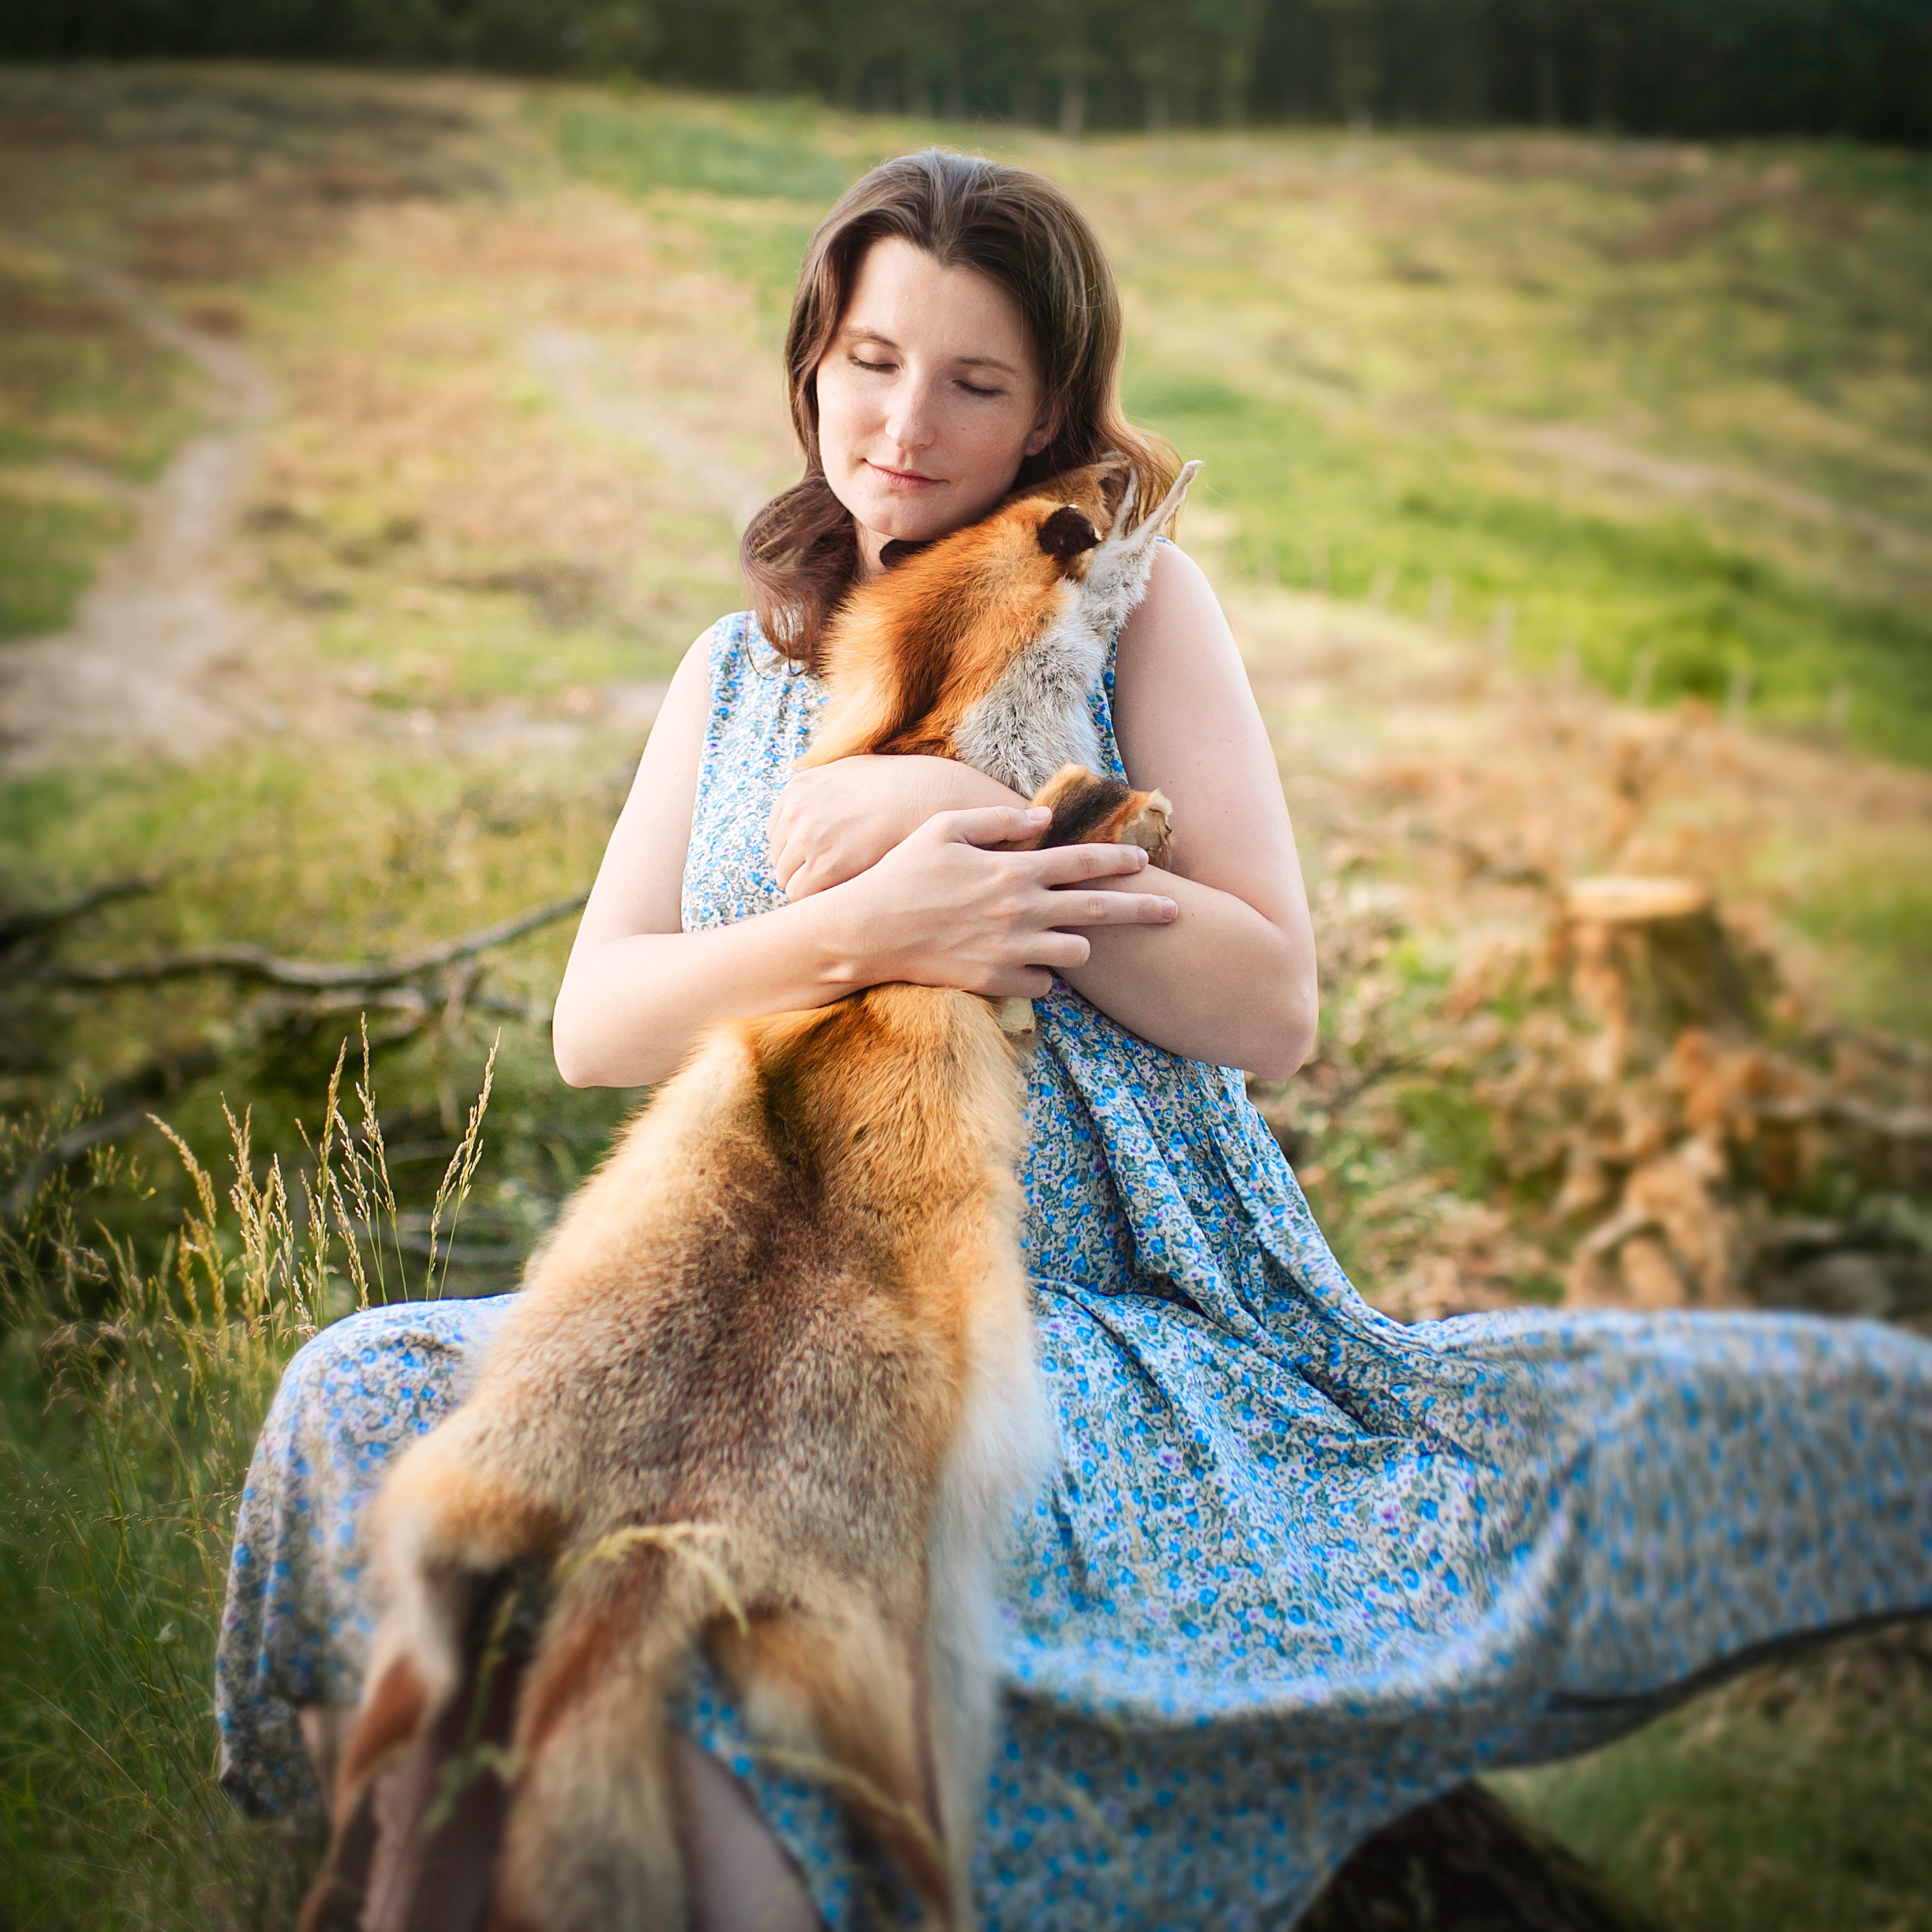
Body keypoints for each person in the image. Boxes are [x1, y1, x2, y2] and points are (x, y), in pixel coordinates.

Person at [218, 150, 1932, 1930]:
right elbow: (599, 1017)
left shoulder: (1125, 609)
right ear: (813, 357)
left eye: (974, 383)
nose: (905, 421)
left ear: (1047, 411)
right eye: (873, 360)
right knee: (359, 1392)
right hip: (737, 1295)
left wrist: (957, 812)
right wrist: (854, 933)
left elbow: (1269, 1001)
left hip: (1072, 1309)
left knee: (724, 1605)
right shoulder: (728, 672)